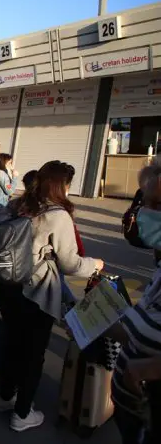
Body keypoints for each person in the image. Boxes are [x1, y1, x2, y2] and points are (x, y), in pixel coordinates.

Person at [0, 160, 103, 432]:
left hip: (5, 286)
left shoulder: (17, 205)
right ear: (61, 186)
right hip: (35, 292)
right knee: (33, 353)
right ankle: (22, 413)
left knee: (13, 342)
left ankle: (5, 397)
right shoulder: (57, 215)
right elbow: (70, 264)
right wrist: (95, 264)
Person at [110, 163, 161, 444]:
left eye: (158, 204)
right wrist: (89, 324)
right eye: (144, 201)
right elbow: (140, 326)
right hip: (130, 415)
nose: (144, 212)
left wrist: (145, 369)